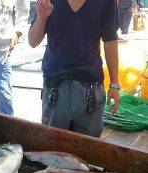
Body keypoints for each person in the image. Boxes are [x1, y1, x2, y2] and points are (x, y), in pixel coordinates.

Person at [29, 0, 120, 138]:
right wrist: (41, 17)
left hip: (90, 90)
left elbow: (110, 39)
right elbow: (33, 41)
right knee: (52, 150)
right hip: (55, 89)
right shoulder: (47, 1)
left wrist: (114, 84)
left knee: (88, 153)